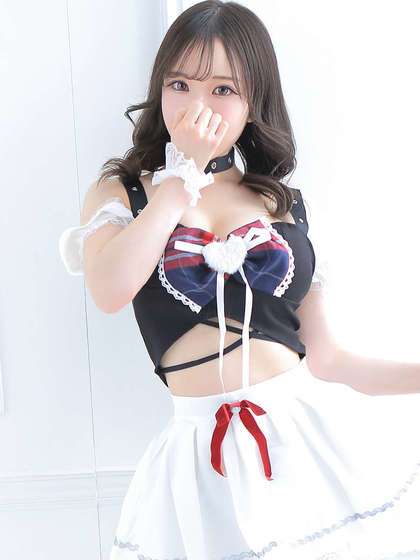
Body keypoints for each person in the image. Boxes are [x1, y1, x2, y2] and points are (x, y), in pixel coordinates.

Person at [58, 2, 420, 559]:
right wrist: (182, 175)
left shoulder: (281, 202)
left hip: (305, 444)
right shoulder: (124, 193)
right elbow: (109, 291)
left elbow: (328, 360)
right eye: (180, 84)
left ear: (254, 102)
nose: (197, 105)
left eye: (223, 89)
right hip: (201, 463)